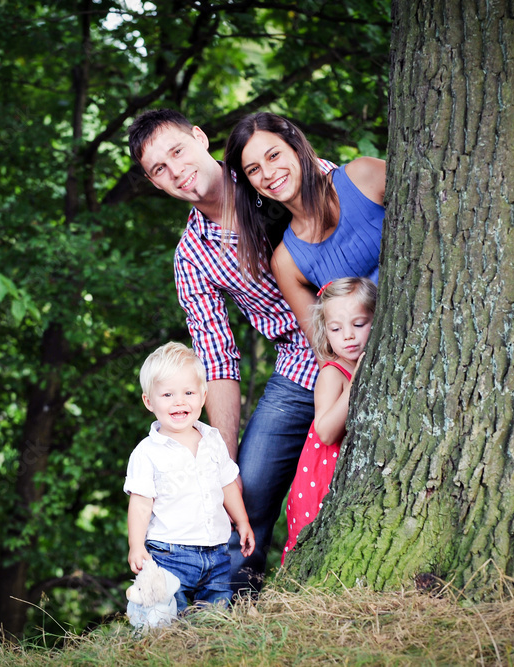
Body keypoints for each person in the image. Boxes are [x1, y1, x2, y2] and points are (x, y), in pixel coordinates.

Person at [127, 110, 336, 596]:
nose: (175, 170)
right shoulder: (192, 257)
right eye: (159, 169)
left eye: (177, 150)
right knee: (249, 488)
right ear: (156, 184)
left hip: (363, 337)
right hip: (299, 365)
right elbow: (217, 362)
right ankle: (232, 605)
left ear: (199, 138)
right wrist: (218, 457)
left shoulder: (269, 171)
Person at [223, 112, 386, 346]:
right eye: (253, 170)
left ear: (296, 148)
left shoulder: (363, 175)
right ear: (251, 185)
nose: (268, 174)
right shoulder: (286, 262)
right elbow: (325, 352)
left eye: (274, 155)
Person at [124, 342, 255, 612]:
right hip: (169, 555)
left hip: (217, 551)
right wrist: (136, 545)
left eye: (188, 392)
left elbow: (228, 484)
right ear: (149, 401)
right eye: (168, 394)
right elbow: (140, 504)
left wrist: (242, 521)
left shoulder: (212, 439)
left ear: (203, 396)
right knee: (167, 616)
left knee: (214, 617)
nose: (179, 401)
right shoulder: (147, 452)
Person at [280, 278, 377, 562]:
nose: (348, 335)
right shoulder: (333, 374)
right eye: (336, 328)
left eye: (359, 324)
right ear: (326, 332)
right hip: (321, 479)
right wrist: (354, 383)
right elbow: (325, 432)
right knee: (312, 547)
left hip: (352, 476)